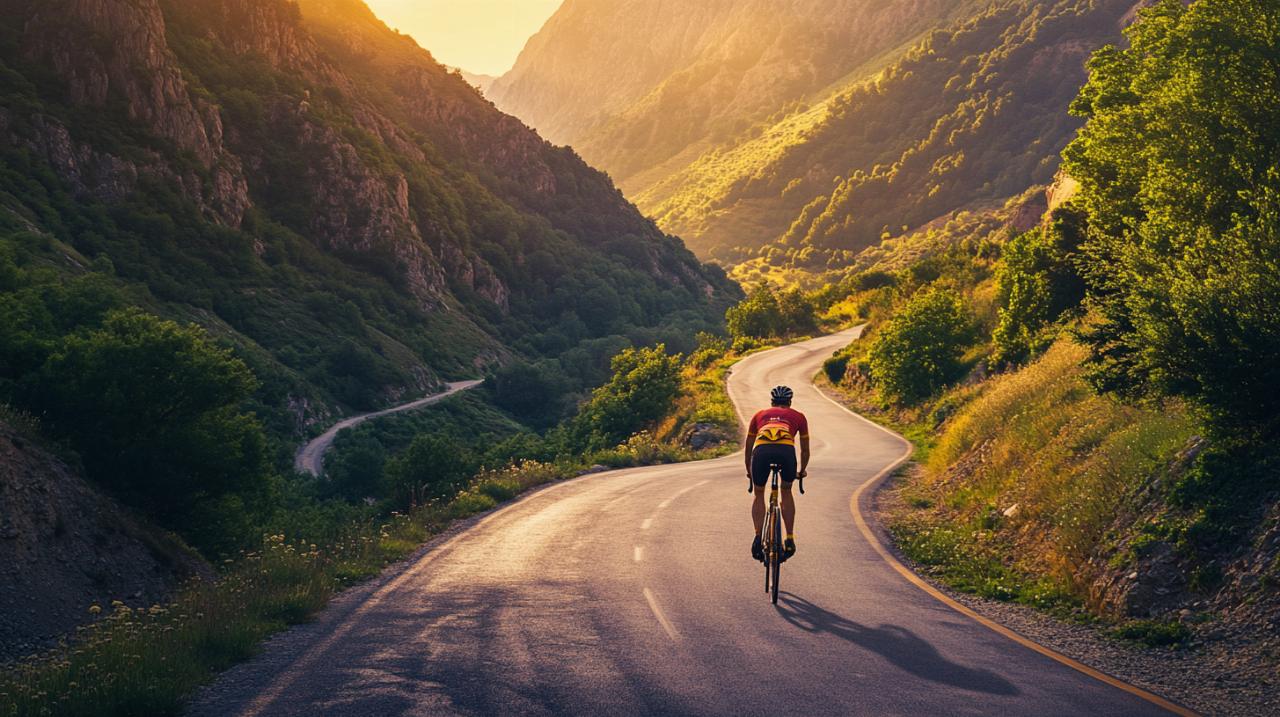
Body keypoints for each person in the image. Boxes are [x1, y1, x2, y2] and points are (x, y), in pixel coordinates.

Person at [745, 385, 809, 562]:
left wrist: (749, 470)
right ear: (790, 402)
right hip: (786, 452)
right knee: (786, 491)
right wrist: (801, 471)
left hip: (761, 452)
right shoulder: (799, 416)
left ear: (772, 401)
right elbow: (805, 450)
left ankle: (758, 536)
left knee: (759, 493)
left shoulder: (759, 415)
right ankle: (789, 538)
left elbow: (749, 446)